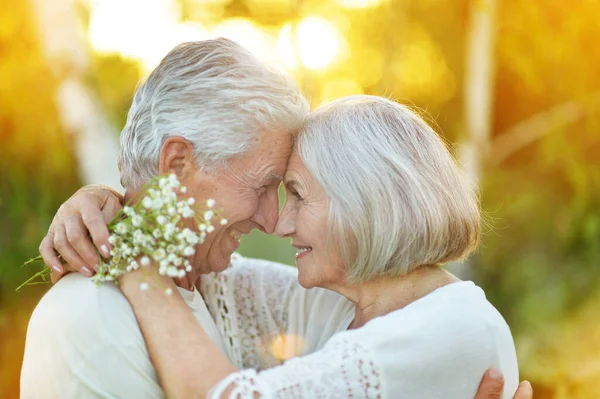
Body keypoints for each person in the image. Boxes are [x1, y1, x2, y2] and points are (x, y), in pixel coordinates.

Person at [22, 40, 532, 399]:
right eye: (267, 185)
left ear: (365, 205)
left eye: (293, 195)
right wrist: (109, 203)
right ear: (178, 164)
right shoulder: (90, 319)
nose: (275, 222)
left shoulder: (431, 324)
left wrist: (138, 261)